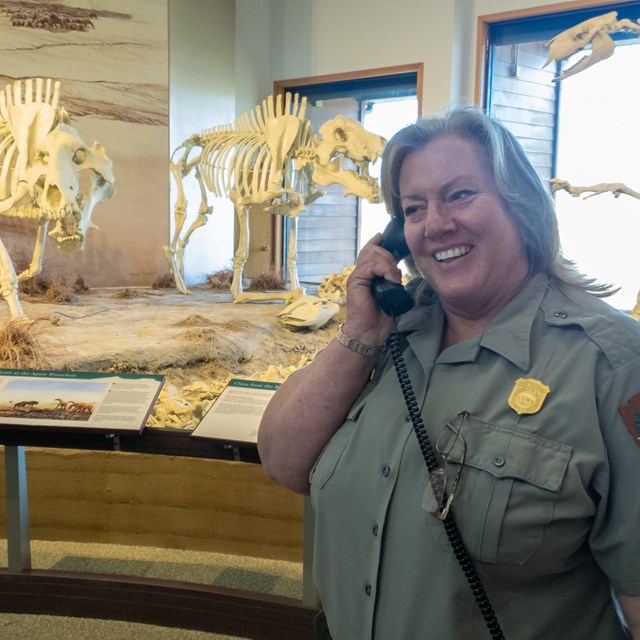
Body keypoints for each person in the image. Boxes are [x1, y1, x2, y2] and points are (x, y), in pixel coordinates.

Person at [257, 106, 640, 639]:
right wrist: (358, 338)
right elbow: (283, 463)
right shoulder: (388, 329)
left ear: (521, 205)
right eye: (414, 209)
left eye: (460, 195)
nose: (436, 224)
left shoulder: (612, 363)